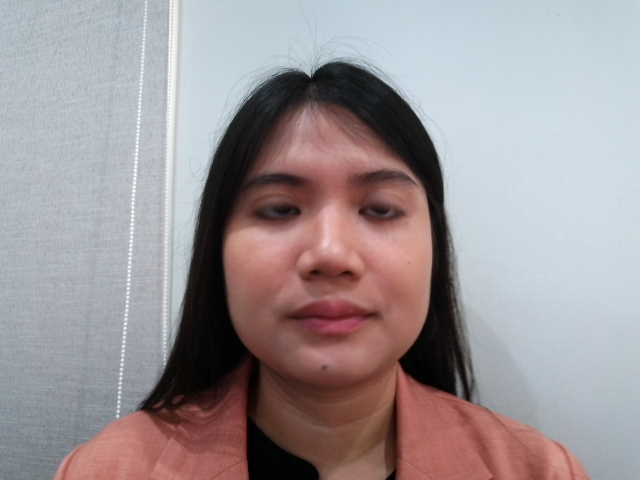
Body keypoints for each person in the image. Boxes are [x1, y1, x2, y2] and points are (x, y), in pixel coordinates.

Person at [55, 61, 588, 479]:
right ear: (217, 251)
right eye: (280, 210)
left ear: (434, 248)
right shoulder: (104, 470)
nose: (331, 254)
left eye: (380, 210)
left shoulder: (539, 471)